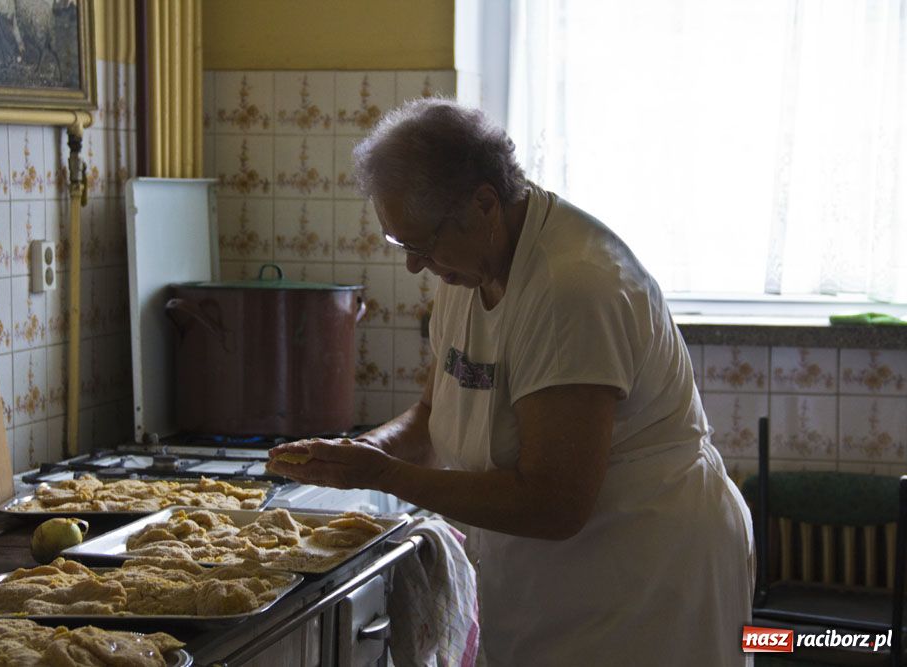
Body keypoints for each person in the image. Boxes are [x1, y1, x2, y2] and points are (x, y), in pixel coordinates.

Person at [267, 98, 754, 666]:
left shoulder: (574, 287)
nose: (413, 267)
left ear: (483, 204)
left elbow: (554, 502)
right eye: (402, 244)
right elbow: (432, 413)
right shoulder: (469, 266)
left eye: (421, 244)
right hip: (553, 580)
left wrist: (385, 475)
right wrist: (366, 451)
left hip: (643, 574)